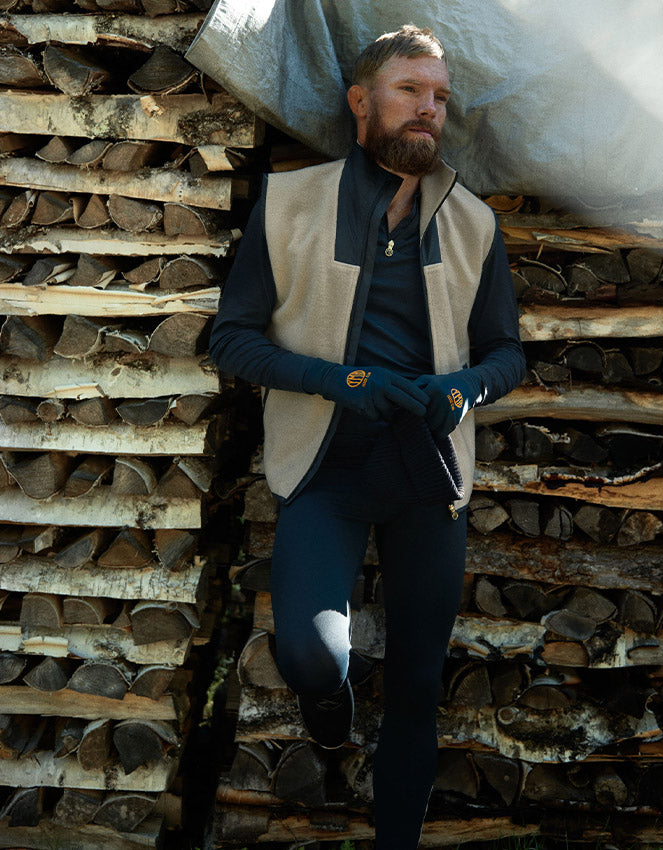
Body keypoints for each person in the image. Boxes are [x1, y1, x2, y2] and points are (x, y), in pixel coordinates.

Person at [209, 24, 525, 849]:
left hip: (429, 474)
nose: (429, 109)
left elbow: (506, 353)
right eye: (409, 90)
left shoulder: (474, 223)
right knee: (310, 655)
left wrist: (464, 388)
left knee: (418, 686)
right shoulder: (290, 203)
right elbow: (232, 341)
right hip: (326, 469)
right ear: (360, 100)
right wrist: (343, 381)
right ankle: (328, 710)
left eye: (440, 96)